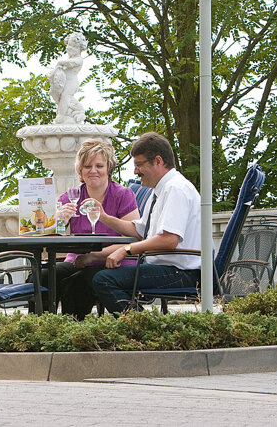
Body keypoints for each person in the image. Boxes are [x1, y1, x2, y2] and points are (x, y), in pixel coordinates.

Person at [91, 132, 201, 315]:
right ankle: (141, 325)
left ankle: (142, 328)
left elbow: (169, 240)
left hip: (182, 273)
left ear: (158, 161)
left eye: (139, 165)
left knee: (104, 280)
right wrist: (104, 217)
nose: (135, 172)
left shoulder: (176, 189)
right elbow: (139, 230)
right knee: (98, 275)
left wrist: (125, 250)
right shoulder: (160, 189)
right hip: (167, 268)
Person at [29, 140, 139, 318]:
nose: (93, 170)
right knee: (42, 276)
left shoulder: (122, 195)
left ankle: (75, 332)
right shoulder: (71, 197)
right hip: (77, 260)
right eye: (87, 166)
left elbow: (135, 237)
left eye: (99, 165)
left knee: (77, 283)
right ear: (80, 170)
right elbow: (53, 235)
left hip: (112, 261)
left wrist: (93, 256)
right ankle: (40, 330)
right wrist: (60, 221)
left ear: (108, 168)